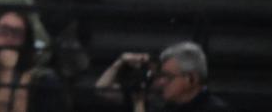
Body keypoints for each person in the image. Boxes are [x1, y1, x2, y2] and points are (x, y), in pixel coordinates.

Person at [96, 41, 230, 111]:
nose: (160, 82)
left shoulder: (214, 108)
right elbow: (102, 89)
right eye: (160, 76)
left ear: (191, 79)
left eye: (167, 77)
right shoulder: (160, 102)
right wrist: (120, 62)